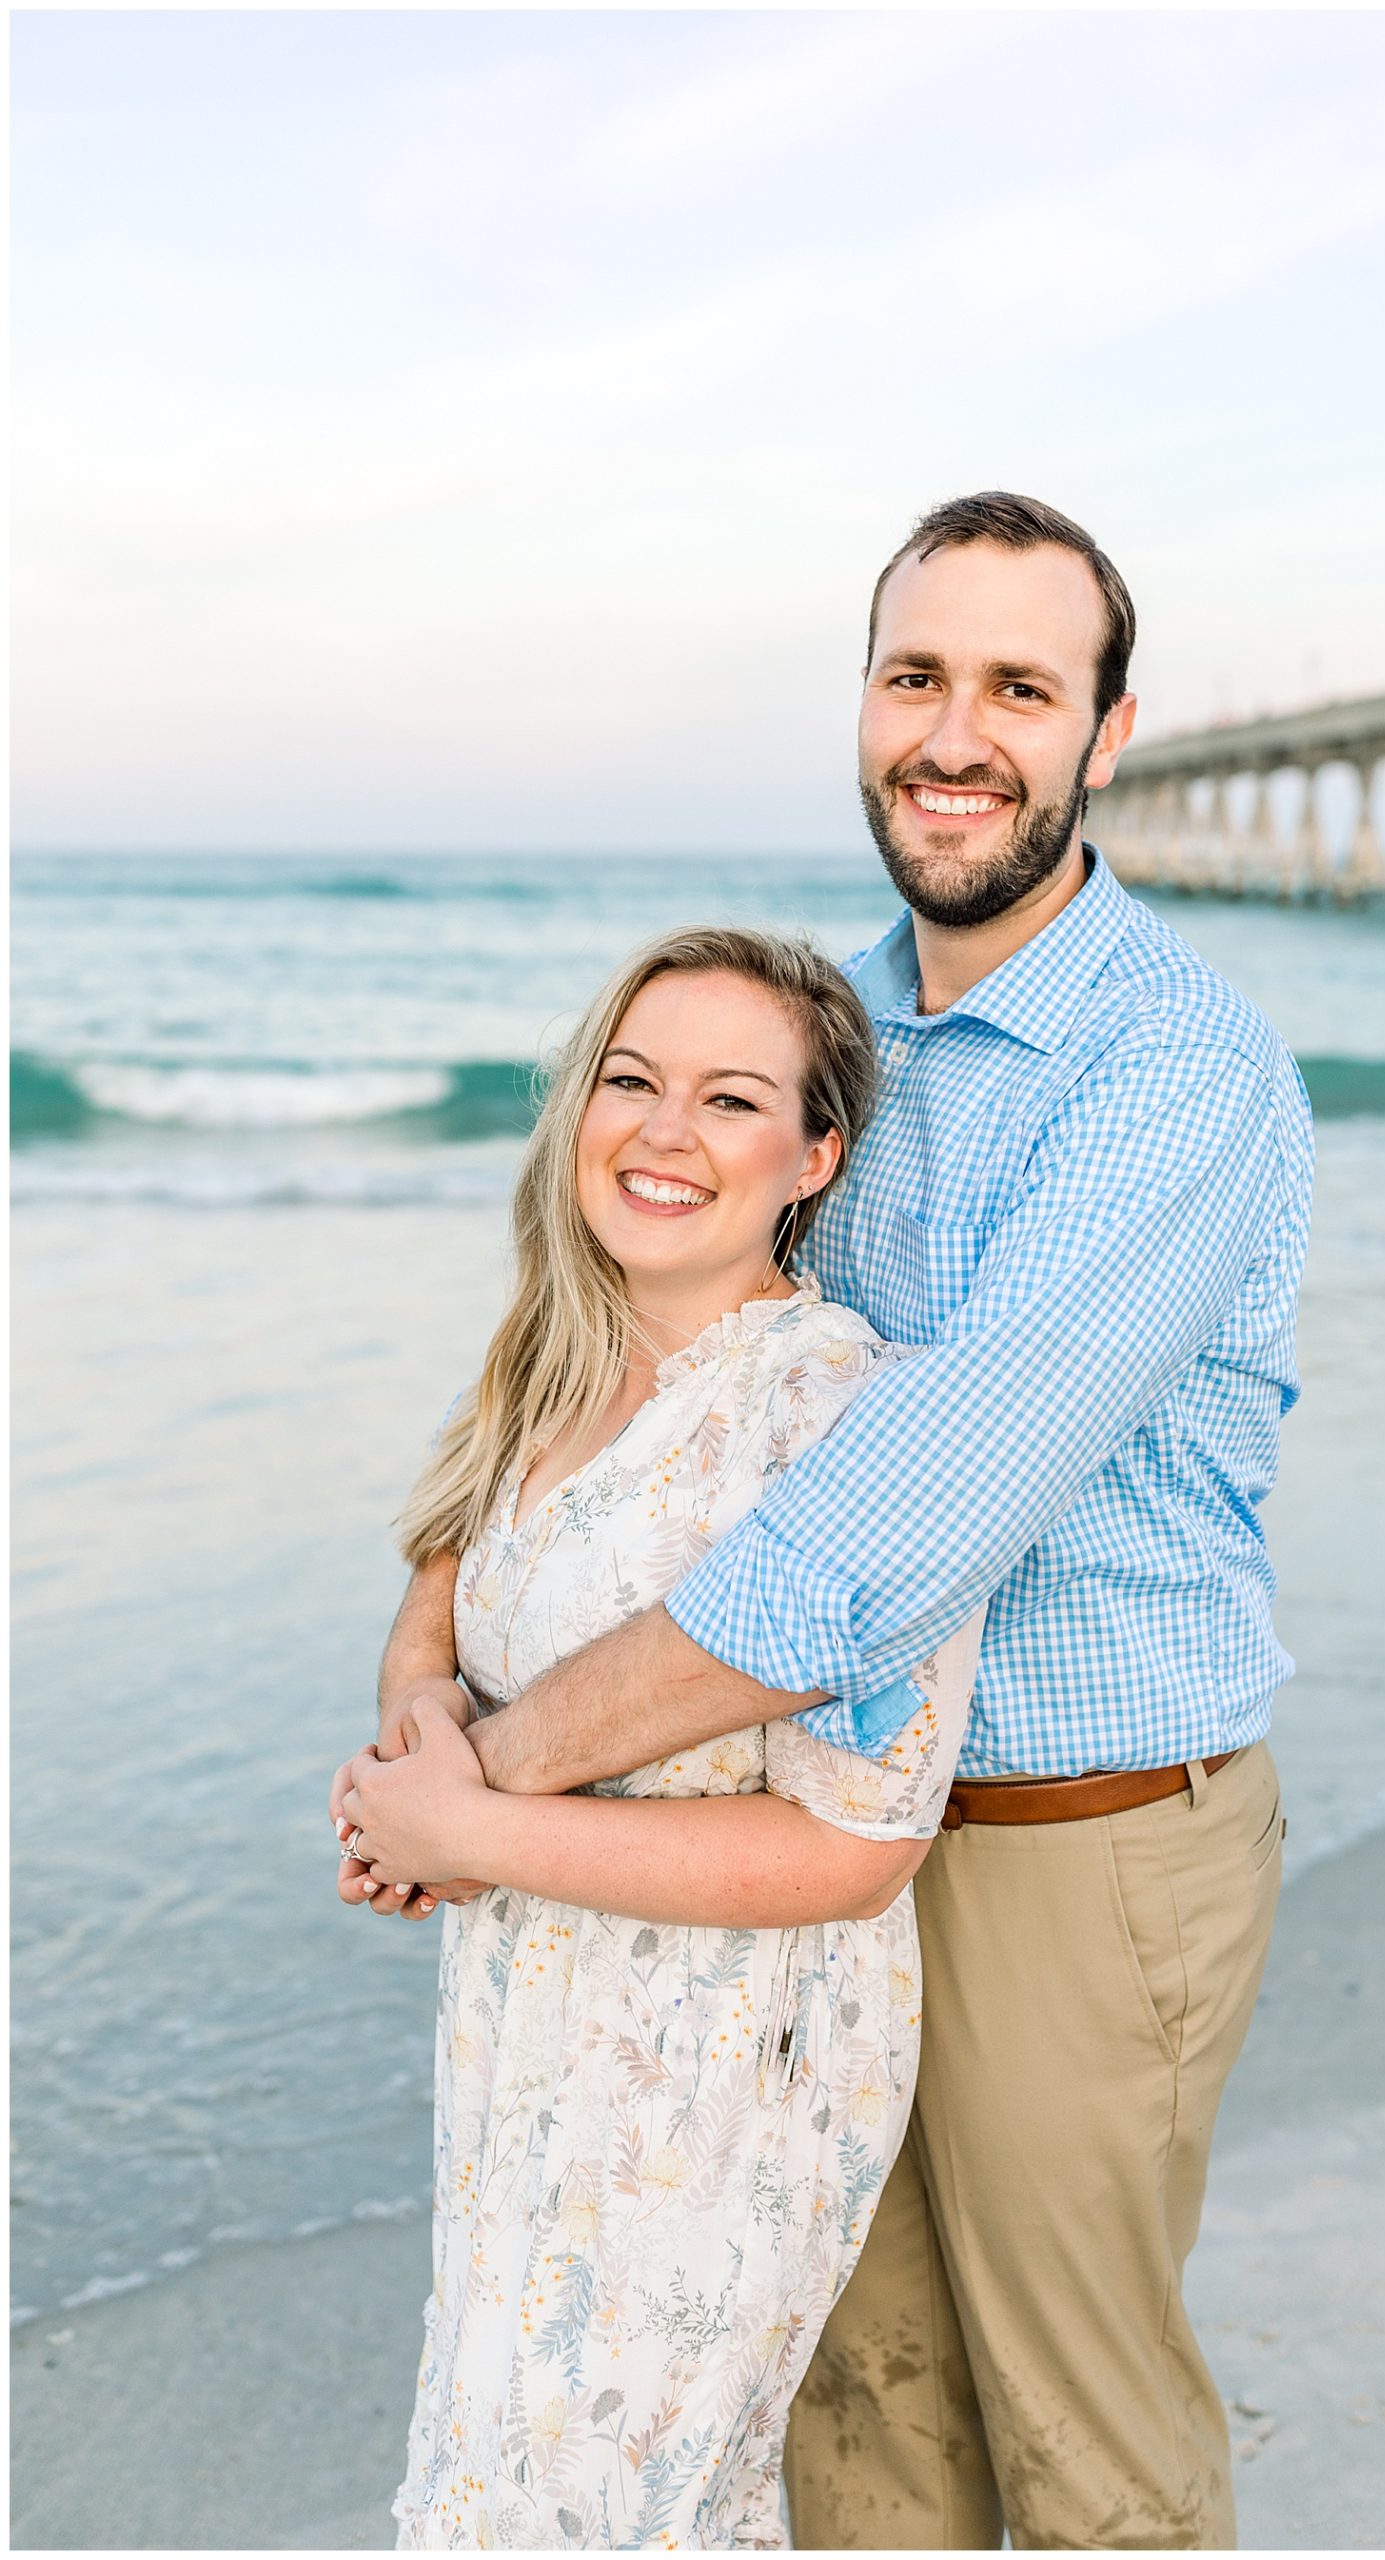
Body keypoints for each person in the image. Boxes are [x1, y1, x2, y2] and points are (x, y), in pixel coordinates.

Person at [344, 490, 1315, 2550]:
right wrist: (429, 1660)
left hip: (1071, 1827)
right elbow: (592, 1344)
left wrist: (486, 1783)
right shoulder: (821, 1039)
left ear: (1105, 736)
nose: (954, 732)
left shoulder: (1170, 1063)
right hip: (780, 1870)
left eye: (1018, 688)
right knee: (846, 2423)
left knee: (1078, 2437)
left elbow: (896, 1512)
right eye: (915, 675)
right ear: (863, 703)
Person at [330, 927, 983, 2550]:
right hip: (525, 2028)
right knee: (495, 2478)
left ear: (813, 1155)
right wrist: (424, 1742)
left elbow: (853, 1850)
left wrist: (465, 1832)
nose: (663, 1131)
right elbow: (440, 1594)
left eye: (730, 1096)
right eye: (630, 1080)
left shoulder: (849, 1423)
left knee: (616, 2509)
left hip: (722, 2069)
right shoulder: (548, 1360)